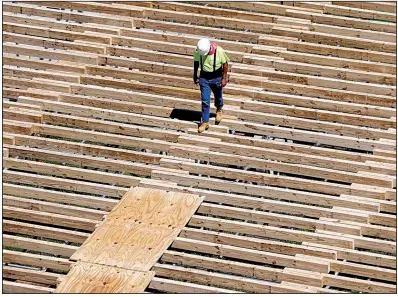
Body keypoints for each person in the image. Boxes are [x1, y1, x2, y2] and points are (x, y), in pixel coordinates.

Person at [193, 38, 230, 133]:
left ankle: (219, 109)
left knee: (218, 96)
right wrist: (195, 74)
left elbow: (225, 64)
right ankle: (205, 122)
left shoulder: (219, 51)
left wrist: (224, 78)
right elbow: (196, 62)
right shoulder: (198, 50)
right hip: (204, 77)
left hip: (216, 76)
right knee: (205, 100)